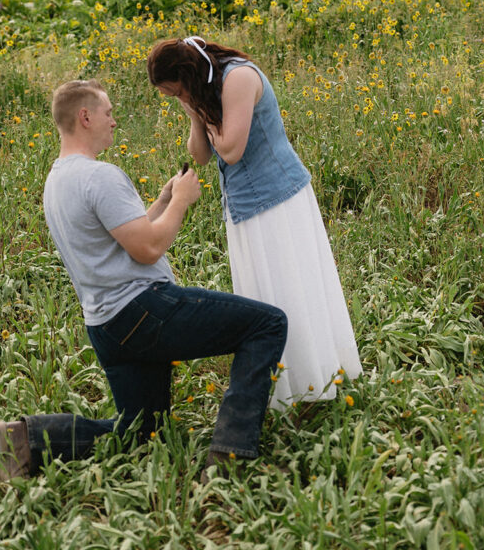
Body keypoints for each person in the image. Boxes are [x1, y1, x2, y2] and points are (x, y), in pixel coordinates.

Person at [0, 78, 287, 480]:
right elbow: (147, 249)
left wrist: (163, 201)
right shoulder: (100, 176)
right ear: (85, 116)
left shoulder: (57, 180)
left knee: (140, 432)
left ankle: (24, 438)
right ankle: (230, 453)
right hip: (144, 311)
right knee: (267, 324)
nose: (114, 120)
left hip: (106, 325)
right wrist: (182, 201)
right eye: (108, 112)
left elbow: (120, 239)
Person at [147, 37, 362, 411]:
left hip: (278, 199)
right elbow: (199, 154)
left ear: (186, 74)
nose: (172, 98)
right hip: (244, 205)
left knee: (292, 289)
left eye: (173, 91)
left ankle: (313, 382)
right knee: (265, 295)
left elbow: (232, 149)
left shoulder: (239, 79)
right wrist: (193, 109)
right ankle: (284, 385)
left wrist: (199, 105)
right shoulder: (204, 89)